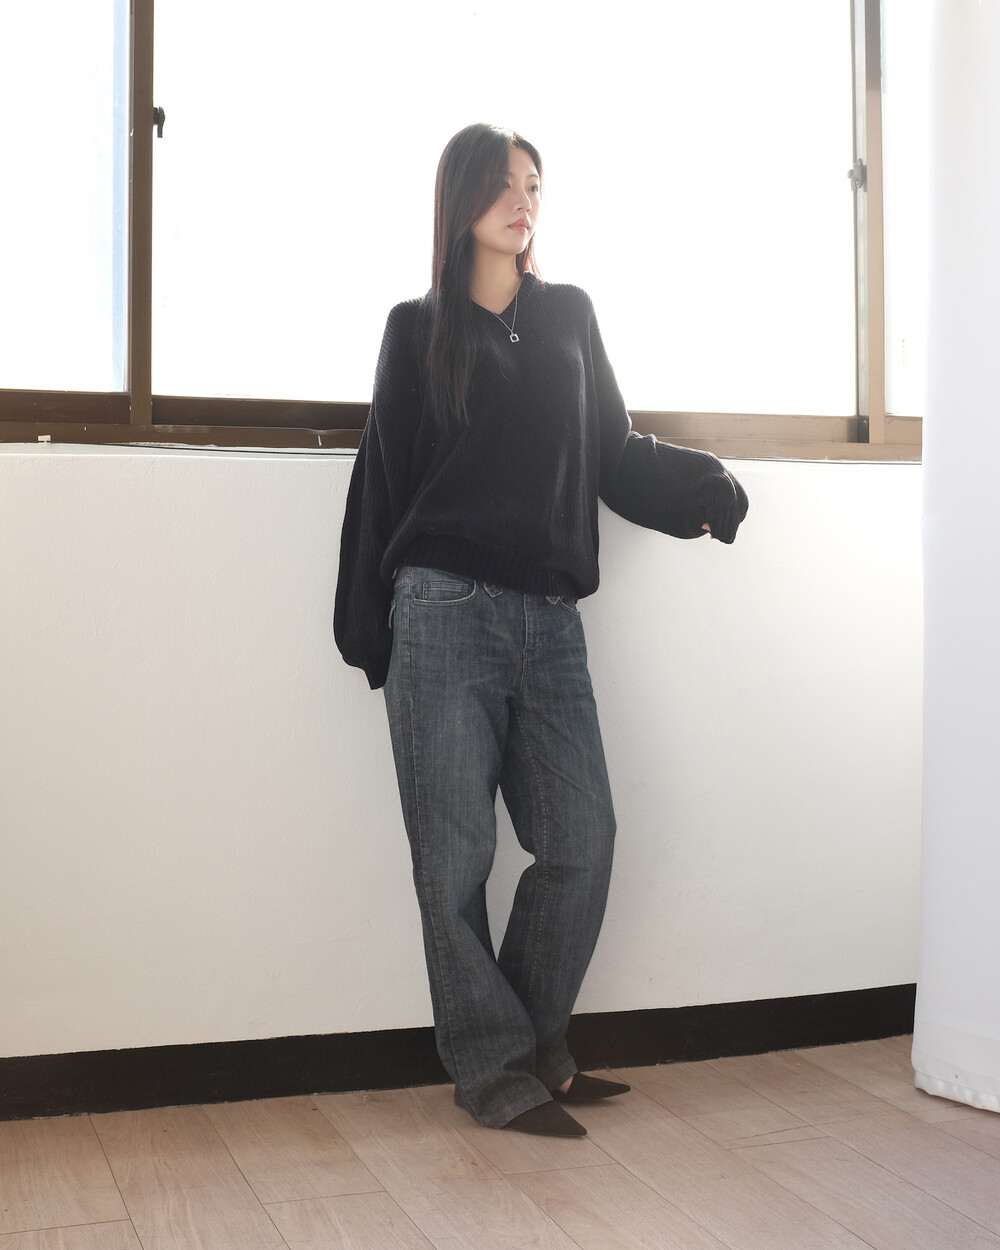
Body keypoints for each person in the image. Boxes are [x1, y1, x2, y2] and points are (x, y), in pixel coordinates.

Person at [334, 123, 748, 1138]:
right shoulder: (414, 328)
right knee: (454, 861)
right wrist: (367, 628)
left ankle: (528, 1041)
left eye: (535, 185)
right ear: (461, 198)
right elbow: (381, 478)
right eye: (505, 183)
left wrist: (701, 487)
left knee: (582, 840)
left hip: (550, 621)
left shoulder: (569, 314)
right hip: (441, 612)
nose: (524, 201)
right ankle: (495, 1070)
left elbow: (612, 449)